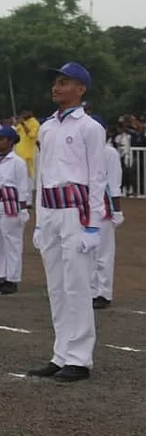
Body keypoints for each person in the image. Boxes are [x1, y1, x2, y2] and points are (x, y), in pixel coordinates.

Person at [27, 62, 107, 382]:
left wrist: (93, 225)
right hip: (50, 209)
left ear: (81, 89)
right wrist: (38, 220)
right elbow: (41, 177)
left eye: (64, 82)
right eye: (56, 82)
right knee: (56, 287)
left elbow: (97, 178)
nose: (56, 88)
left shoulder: (90, 128)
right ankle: (61, 353)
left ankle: (80, 357)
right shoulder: (47, 127)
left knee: (77, 285)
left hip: (76, 210)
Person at [0, 125, 31, 295]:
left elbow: (23, 187)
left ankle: (12, 278)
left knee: (12, 242)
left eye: (1, 139)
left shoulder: (17, 162)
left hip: (10, 203)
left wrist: (23, 208)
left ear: (10, 141)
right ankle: (1, 275)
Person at [88, 115, 124, 310]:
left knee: (104, 252)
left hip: (104, 205)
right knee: (89, 251)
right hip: (86, 206)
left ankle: (104, 292)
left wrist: (117, 210)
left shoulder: (109, 153)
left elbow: (114, 183)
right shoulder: (86, 151)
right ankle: (92, 290)